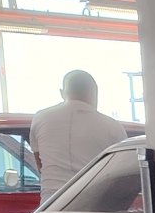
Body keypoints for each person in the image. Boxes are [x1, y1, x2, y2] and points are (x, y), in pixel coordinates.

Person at [29, 70, 127, 203]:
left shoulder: (40, 118)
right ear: (94, 93)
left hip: (50, 204)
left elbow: (40, 164)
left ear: (62, 92)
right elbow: (123, 173)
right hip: (93, 203)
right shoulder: (112, 126)